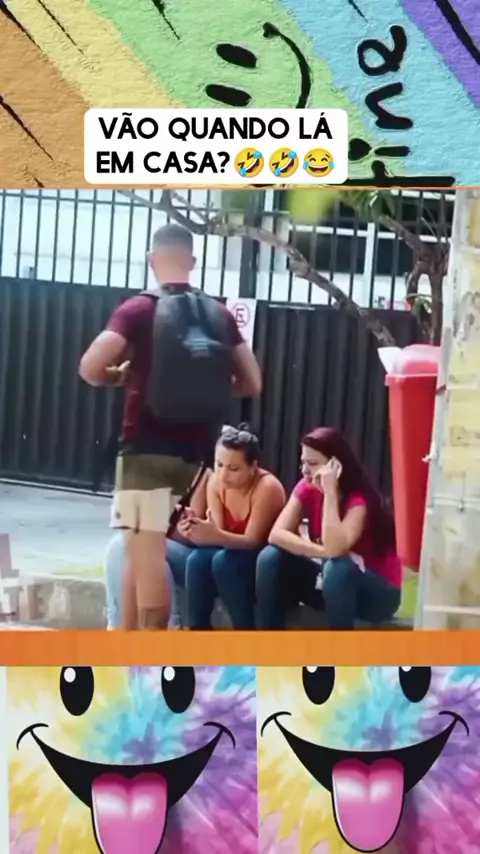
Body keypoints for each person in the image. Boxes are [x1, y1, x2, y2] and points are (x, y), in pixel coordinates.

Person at [79, 224, 262, 630]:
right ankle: (125, 649)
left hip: (144, 453)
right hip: (194, 456)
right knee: (137, 548)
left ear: (151, 259)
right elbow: (252, 382)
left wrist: (118, 375)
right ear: (193, 261)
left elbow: (90, 367)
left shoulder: (138, 310)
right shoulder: (219, 315)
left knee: (147, 557)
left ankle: (152, 653)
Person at [256, 426, 402, 630]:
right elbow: (276, 534)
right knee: (270, 556)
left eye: (312, 464)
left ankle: (338, 646)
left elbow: (336, 548)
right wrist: (320, 552)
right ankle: (269, 638)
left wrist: (330, 492)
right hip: (334, 582)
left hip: (377, 593)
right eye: (303, 463)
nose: (305, 471)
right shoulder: (306, 486)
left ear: (336, 466)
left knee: (337, 567)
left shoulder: (358, 500)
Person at [170, 424, 285, 629]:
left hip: (263, 560)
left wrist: (214, 535)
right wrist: (196, 528)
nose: (223, 475)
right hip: (231, 552)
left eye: (233, 469)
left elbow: (253, 541)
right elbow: (219, 536)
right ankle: (198, 630)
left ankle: (244, 631)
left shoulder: (268, 487)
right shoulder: (216, 483)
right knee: (197, 560)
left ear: (253, 467)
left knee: (223, 562)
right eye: (219, 464)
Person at [104, 469, 210, 629]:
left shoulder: (203, 474)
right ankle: (118, 629)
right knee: (120, 547)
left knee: (145, 549)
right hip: (161, 538)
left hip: (195, 553)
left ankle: (167, 630)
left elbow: (193, 532)